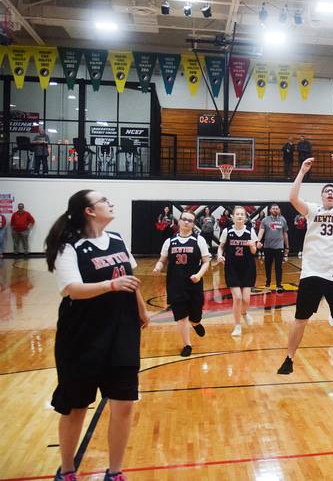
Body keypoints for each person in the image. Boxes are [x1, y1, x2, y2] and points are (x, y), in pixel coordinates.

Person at [45, 190, 149, 481]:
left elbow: (131, 279)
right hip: (82, 335)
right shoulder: (70, 246)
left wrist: (140, 309)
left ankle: (115, 472)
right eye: (103, 200)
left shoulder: (116, 239)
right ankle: (66, 470)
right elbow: (72, 290)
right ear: (89, 211)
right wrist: (111, 285)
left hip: (122, 331)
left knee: (124, 403)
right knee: (76, 406)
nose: (110, 202)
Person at [277, 154, 333, 380]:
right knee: (300, 319)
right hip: (312, 272)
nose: (330, 193)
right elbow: (292, 197)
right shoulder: (313, 210)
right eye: (327, 191)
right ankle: (289, 358)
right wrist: (302, 171)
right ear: (321, 195)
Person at [153, 210, 210, 357]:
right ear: (179, 221)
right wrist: (158, 266)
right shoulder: (169, 241)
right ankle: (187, 345)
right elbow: (162, 260)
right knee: (181, 317)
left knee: (194, 316)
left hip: (194, 284)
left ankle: (196, 323)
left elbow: (206, 262)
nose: (186, 222)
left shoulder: (199, 240)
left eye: (190, 220)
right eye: (184, 219)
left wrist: (198, 275)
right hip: (175, 285)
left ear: (193, 224)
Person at [217, 206, 258, 336]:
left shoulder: (251, 231)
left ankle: (244, 313)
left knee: (246, 299)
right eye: (237, 214)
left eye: (242, 214)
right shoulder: (227, 231)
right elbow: (221, 247)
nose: (240, 216)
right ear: (233, 217)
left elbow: (254, 251)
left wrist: (252, 246)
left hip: (247, 268)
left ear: (245, 218)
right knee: (238, 298)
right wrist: (219, 255)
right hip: (232, 268)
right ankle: (237, 325)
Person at [257, 204, 289, 292]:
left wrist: (287, 246)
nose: (275, 210)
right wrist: (258, 241)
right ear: (270, 210)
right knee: (268, 266)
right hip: (268, 247)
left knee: (278, 267)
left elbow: (285, 234)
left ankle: (279, 285)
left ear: (279, 210)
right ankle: (268, 283)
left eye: (277, 208)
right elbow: (261, 231)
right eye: (273, 208)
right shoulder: (265, 220)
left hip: (279, 247)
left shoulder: (283, 220)